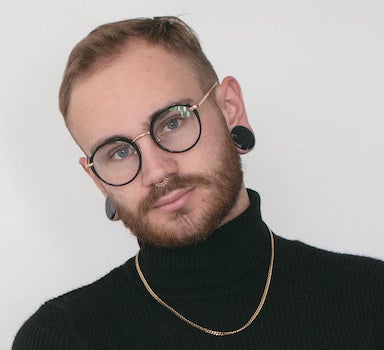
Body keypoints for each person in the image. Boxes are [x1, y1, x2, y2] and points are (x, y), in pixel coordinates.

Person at [13, 16, 383, 349]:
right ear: (98, 180)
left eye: (173, 122)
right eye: (119, 152)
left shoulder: (371, 299)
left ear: (230, 108)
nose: (157, 171)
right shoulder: (62, 339)